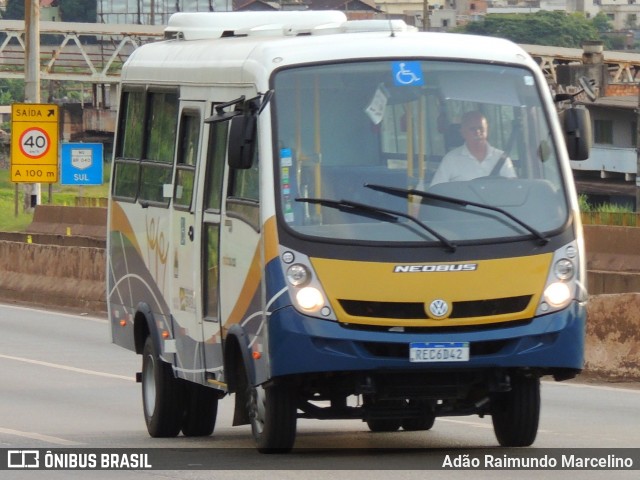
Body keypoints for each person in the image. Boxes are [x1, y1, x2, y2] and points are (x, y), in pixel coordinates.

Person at [430, 110, 516, 186]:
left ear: (487, 130)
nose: (478, 132)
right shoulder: (450, 159)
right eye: (473, 129)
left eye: (480, 128)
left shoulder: (502, 158)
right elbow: (436, 192)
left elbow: (513, 190)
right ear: (463, 132)